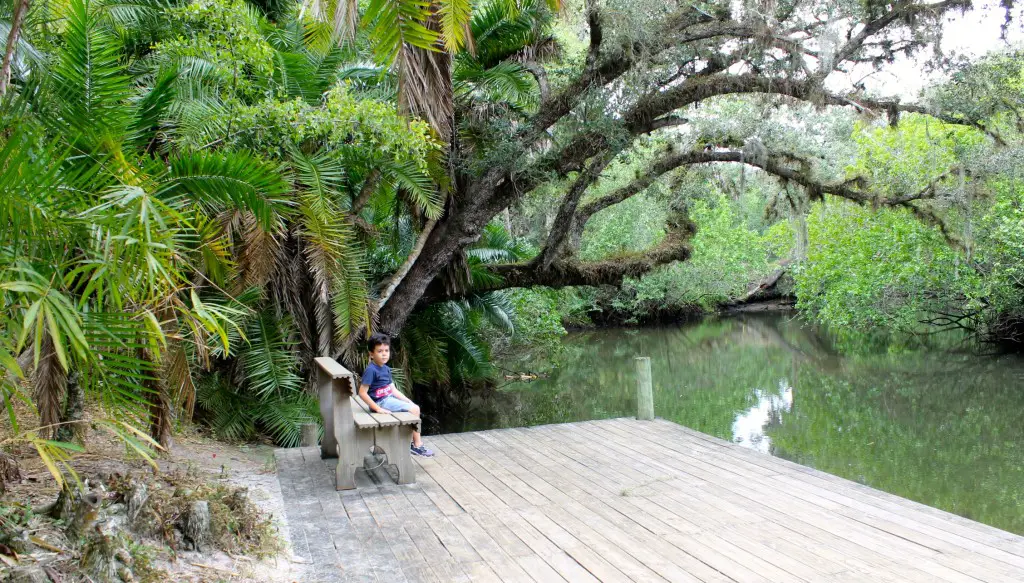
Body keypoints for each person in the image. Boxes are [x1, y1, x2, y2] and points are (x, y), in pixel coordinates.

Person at [358, 333, 435, 457]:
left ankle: (409, 442)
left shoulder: (386, 369)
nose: (384, 354)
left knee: (413, 406)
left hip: (388, 399)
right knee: (415, 410)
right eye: (380, 351)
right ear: (371, 354)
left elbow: (392, 389)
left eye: (386, 350)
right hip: (380, 402)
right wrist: (378, 408)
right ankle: (417, 445)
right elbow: (362, 393)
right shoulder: (371, 370)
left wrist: (407, 400)